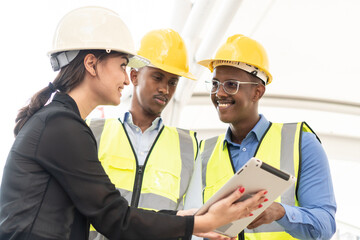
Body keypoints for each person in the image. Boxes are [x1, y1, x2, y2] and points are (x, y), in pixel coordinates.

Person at [0, 7, 268, 240]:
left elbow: (115, 214)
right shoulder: (62, 127)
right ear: (92, 64)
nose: (126, 79)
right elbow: (115, 217)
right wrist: (199, 223)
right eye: (122, 66)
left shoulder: (60, 123)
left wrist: (186, 218)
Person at [196, 34, 337, 240]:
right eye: (215, 83)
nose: (219, 93)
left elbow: (324, 226)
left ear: (257, 92)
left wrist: (280, 212)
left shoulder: (300, 143)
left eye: (231, 84)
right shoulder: (203, 151)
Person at [87, 28, 200, 240]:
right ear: (134, 76)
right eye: (158, 77)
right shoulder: (93, 131)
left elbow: (193, 220)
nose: (165, 89)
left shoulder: (189, 146)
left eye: (173, 82)